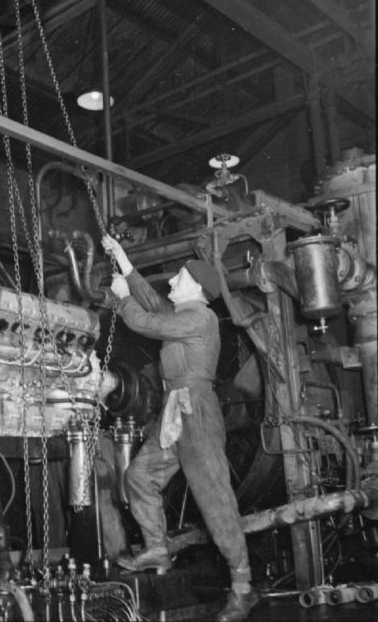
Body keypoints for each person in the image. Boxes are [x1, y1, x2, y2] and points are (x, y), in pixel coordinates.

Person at [101, 234, 258, 622]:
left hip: (197, 412)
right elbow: (154, 304)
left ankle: (242, 589)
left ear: (198, 290)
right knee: (139, 476)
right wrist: (123, 260)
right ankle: (156, 547)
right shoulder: (185, 313)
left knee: (215, 501)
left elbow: (147, 321)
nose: (171, 283)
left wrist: (122, 298)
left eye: (179, 279)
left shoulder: (199, 318)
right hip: (175, 408)